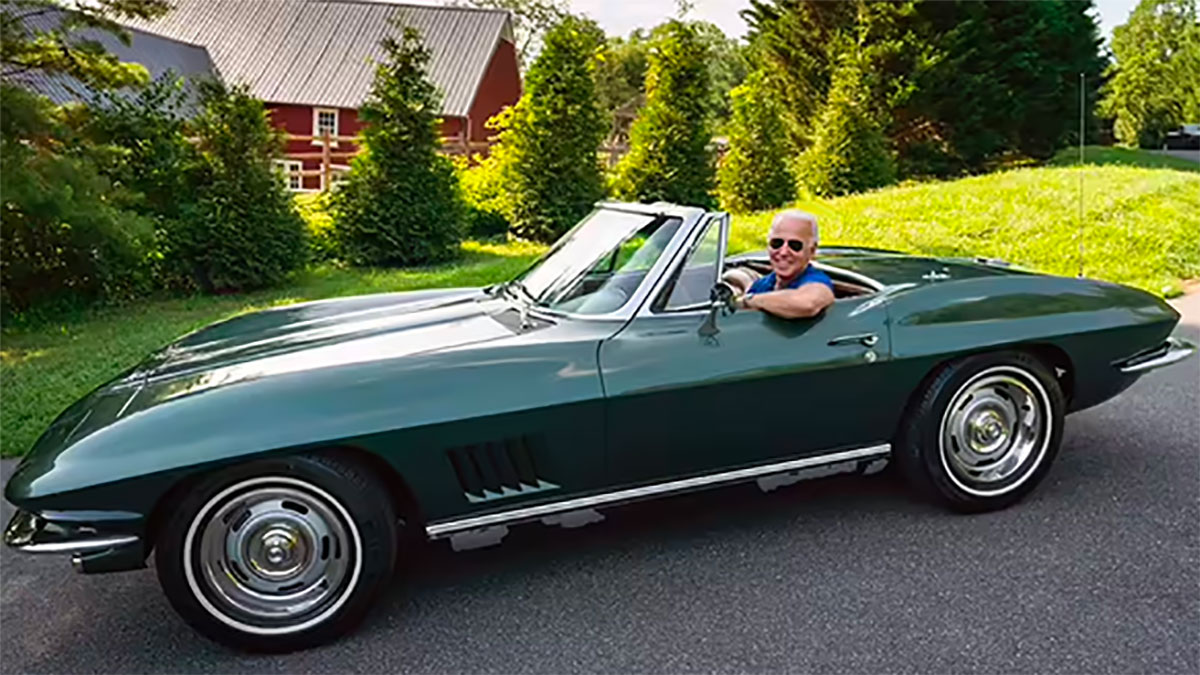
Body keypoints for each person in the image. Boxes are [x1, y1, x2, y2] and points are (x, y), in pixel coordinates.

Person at [738, 210, 835, 319]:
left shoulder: (818, 281)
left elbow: (807, 304)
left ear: (811, 251)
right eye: (777, 243)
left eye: (794, 245)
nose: (783, 252)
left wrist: (748, 300)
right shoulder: (762, 285)